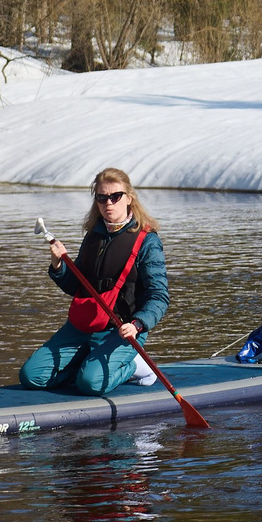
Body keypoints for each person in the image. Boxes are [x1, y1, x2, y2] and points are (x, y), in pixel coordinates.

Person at [26, 168, 169, 394]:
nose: (108, 203)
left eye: (115, 197)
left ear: (129, 198)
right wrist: (58, 265)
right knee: (31, 376)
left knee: (89, 383)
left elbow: (159, 297)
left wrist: (138, 324)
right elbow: (76, 286)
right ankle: (88, 363)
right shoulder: (94, 235)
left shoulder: (147, 241)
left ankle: (135, 367)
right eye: (101, 197)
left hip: (123, 329)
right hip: (86, 323)